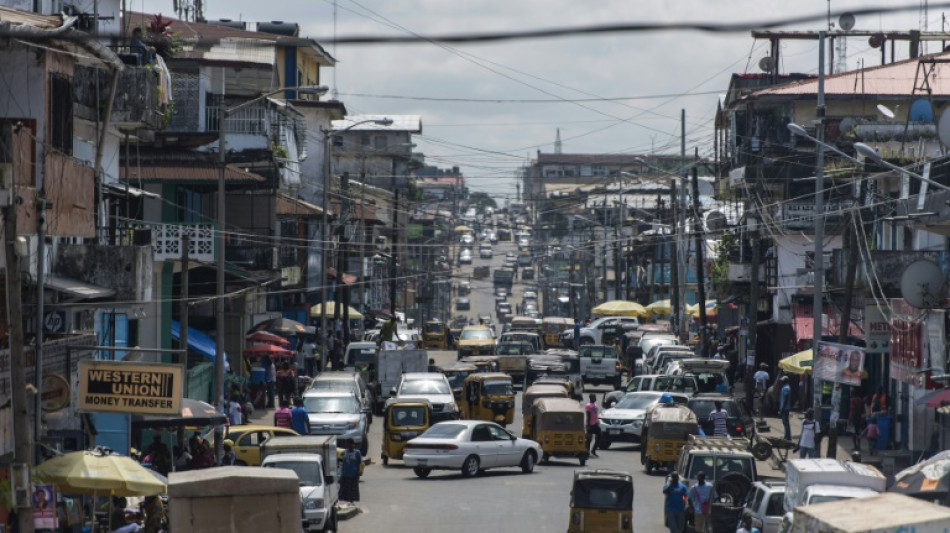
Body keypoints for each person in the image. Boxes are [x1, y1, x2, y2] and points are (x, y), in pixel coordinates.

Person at [779, 376, 792, 440]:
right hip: (785, 407)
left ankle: (788, 436)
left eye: (782, 381)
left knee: (786, 422)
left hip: (785, 408)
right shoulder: (785, 387)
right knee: (785, 422)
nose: (781, 382)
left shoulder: (786, 388)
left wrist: (782, 408)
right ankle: (786, 436)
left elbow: (786, 399)